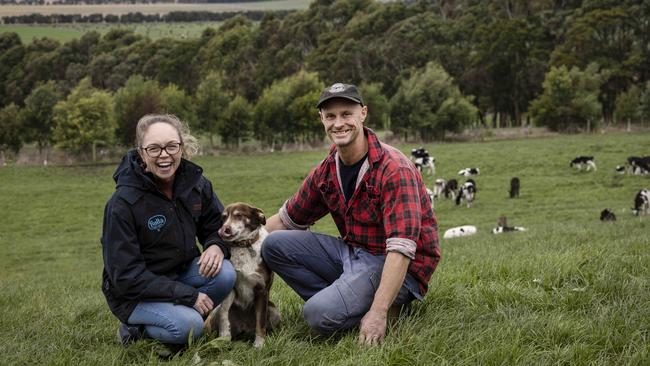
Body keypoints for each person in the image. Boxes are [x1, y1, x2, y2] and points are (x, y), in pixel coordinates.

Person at [262, 83, 441, 346]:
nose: (339, 123)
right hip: (354, 254)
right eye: (330, 116)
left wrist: (377, 313)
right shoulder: (327, 169)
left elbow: (402, 249)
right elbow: (287, 220)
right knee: (272, 244)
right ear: (321, 119)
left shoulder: (393, 168)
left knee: (317, 314)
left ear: (363, 114)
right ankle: (349, 301)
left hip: (399, 266)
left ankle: (382, 306)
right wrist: (229, 249)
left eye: (347, 114)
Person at [101, 114, 236, 347]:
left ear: (181, 148)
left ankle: (177, 314)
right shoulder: (122, 203)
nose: (164, 155)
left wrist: (216, 245)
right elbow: (126, 277)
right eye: (154, 148)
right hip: (133, 294)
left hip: (179, 274)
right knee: (189, 328)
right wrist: (189, 296)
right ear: (142, 153)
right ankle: (135, 330)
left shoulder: (197, 184)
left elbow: (216, 225)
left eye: (171, 146)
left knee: (225, 273)